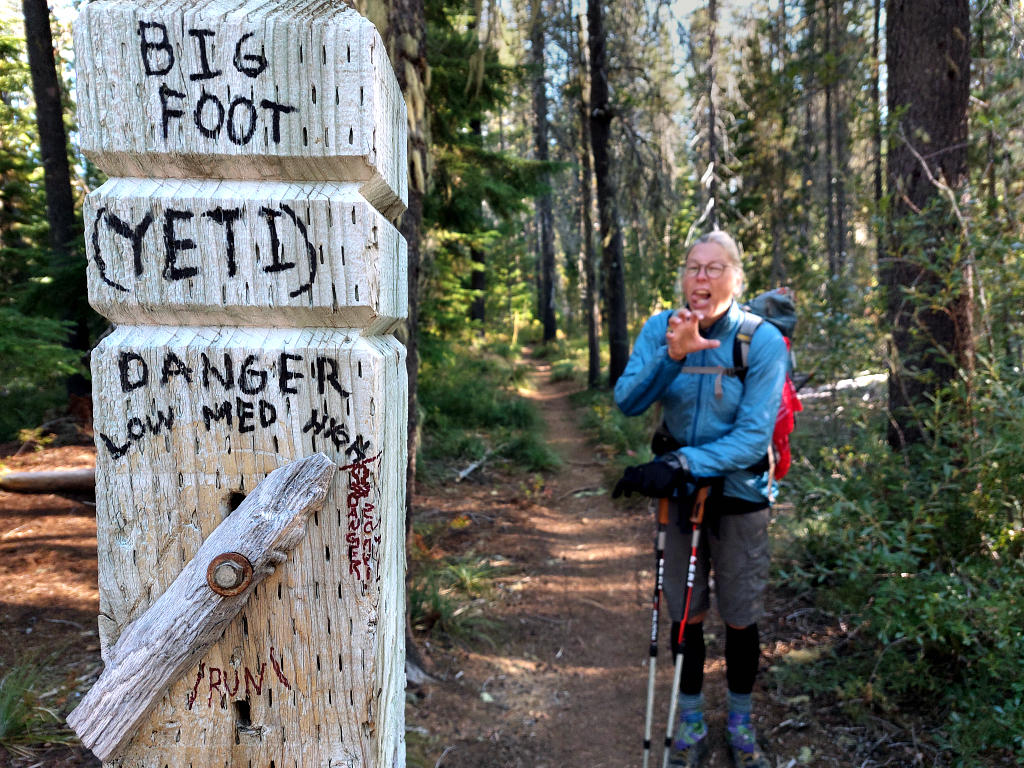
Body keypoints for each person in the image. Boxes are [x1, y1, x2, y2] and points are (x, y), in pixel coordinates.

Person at [612, 230, 786, 768]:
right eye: (692, 268)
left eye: (714, 269)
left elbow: (753, 437)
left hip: (739, 495)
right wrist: (672, 355)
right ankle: (688, 721)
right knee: (684, 613)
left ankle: (739, 721)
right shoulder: (659, 328)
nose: (701, 279)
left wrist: (681, 463)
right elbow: (628, 400)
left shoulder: (762, 341)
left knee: (740, 614)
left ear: (737, 278)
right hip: (680, 498)